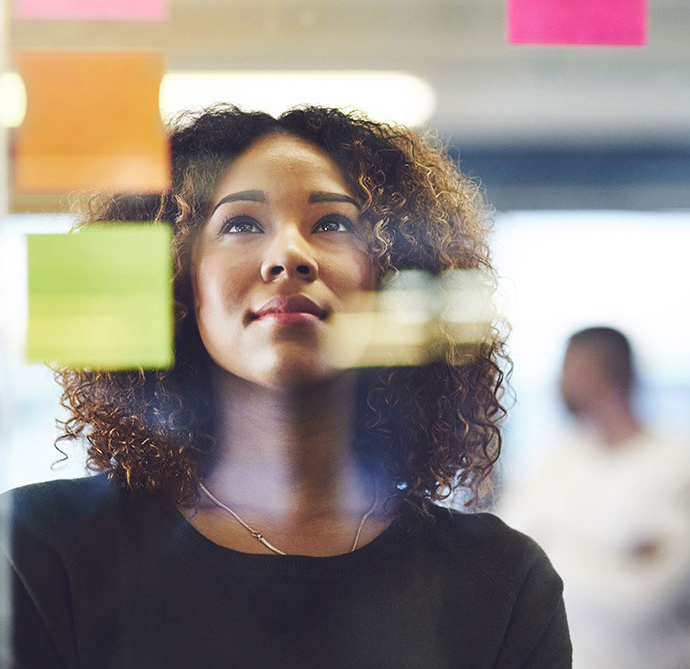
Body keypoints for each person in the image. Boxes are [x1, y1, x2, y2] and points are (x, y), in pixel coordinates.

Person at [2, 105, 571, 668]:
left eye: (332, 224)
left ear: (390, 275)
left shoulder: (501, 581)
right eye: (241, 224)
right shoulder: (39, 552)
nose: (290, 255)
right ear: (178, 279)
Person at [499, 326, 690, 669]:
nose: (558, 385)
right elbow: (506, 566)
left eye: (568, 369)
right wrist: (616, 558)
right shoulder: (554, 462)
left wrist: (553, 550)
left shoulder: (682, 465)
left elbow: (648, 597)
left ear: (601, 374)